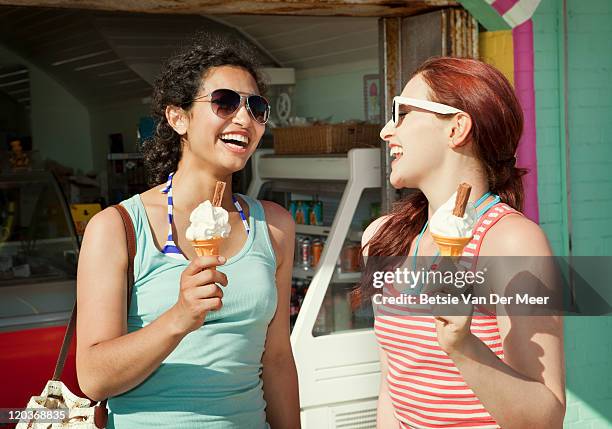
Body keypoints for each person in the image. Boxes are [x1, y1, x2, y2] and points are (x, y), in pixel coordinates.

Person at [76, 32, 300, 428]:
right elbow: (93, 379)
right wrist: (179, 317)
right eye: (225, 102)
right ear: (177, 117)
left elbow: (278, 360)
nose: (244, 118)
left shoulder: (275, 226)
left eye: (256, 107)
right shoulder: (117, 228)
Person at [361, 57, 565, 428]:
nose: (386, 131)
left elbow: (546, 419)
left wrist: (463, 345)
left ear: (456, 127)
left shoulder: (512, 243)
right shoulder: (381, 238)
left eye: (402, 112)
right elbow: (392, 388)